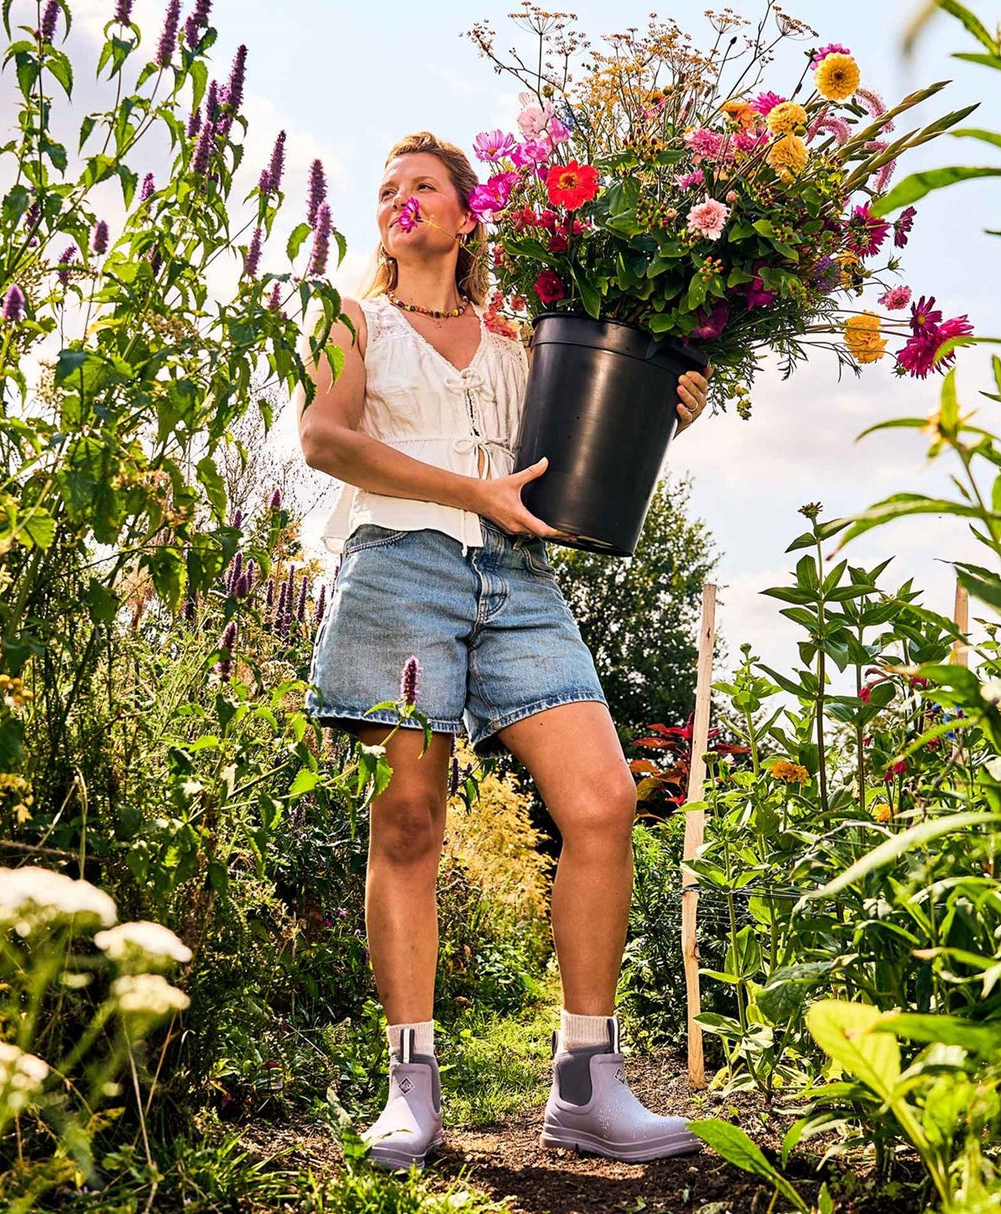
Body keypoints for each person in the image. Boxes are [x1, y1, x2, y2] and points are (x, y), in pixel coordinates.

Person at [296, 131, 710, 1171]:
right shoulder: (352, 320)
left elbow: (571, 458)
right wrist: (469, 491)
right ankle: (410, 1089)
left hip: (518, 579)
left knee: (603, 801)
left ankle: (585, 1086)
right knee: (408, 822)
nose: (399, 199)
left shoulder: (521, 340)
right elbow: (324, 440)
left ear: (466, 214)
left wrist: (663, 411)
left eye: (422, 185)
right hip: (400, 565)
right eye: (385, 188)